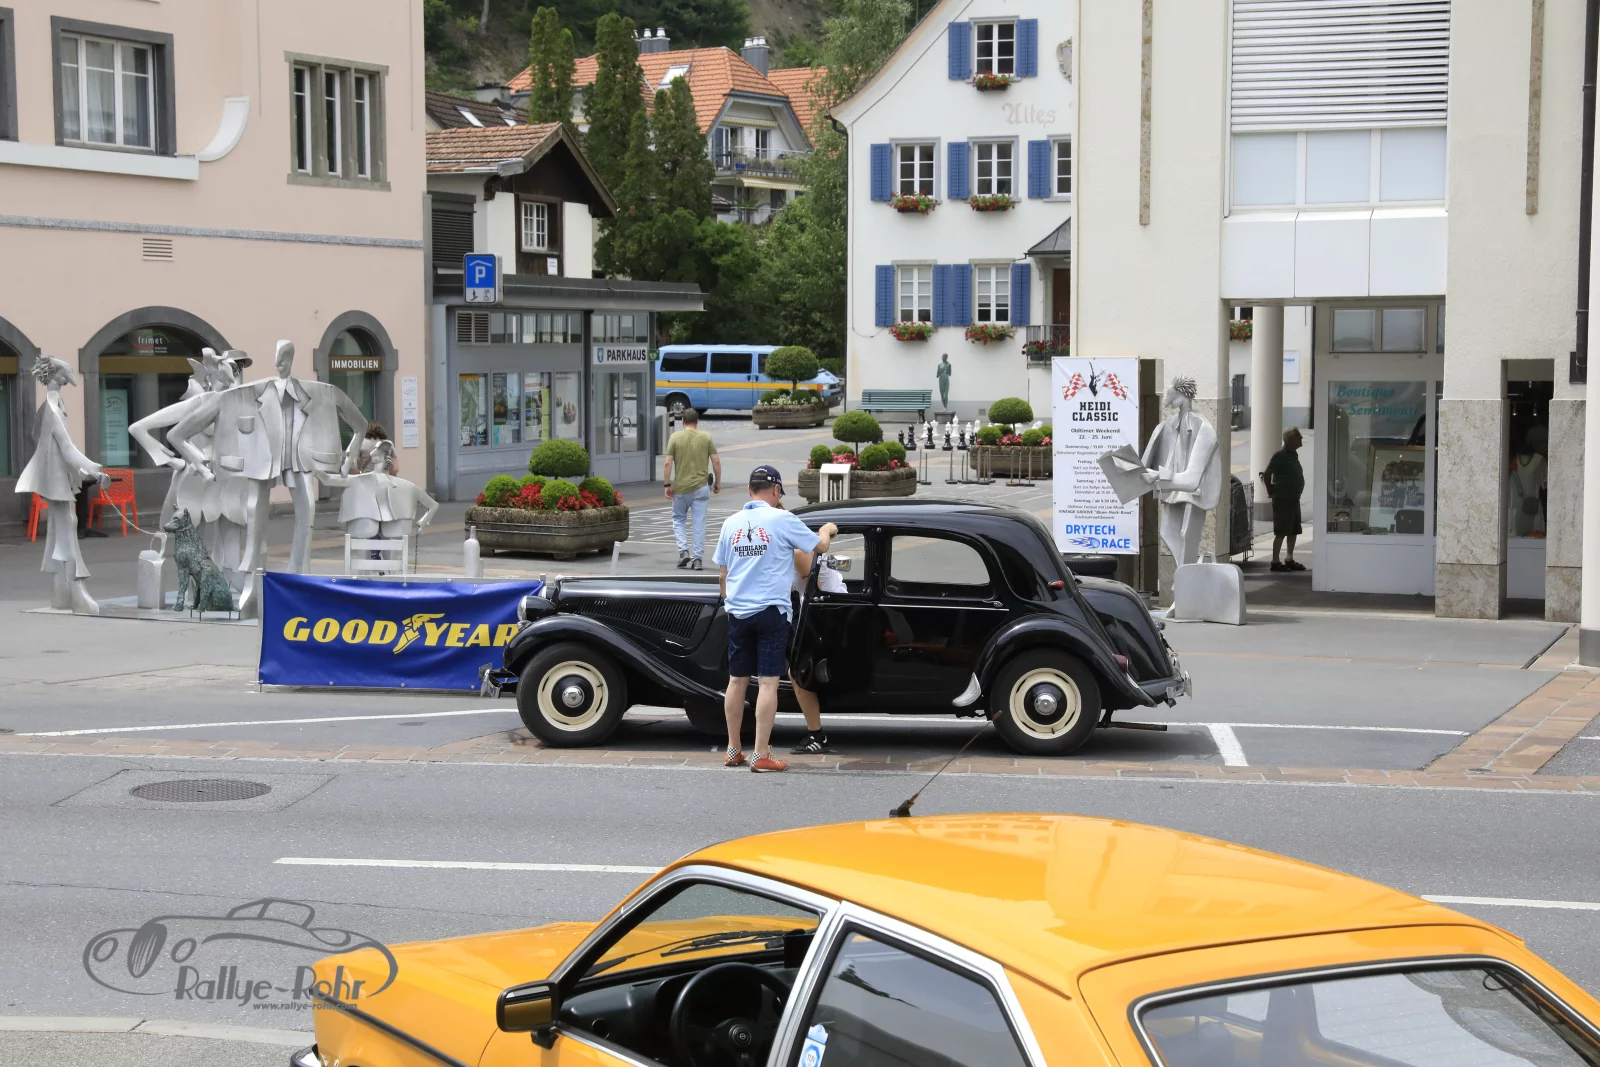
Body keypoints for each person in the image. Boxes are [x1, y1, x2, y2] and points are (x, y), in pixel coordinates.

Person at [712, 465, 837, 773]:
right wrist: (827, 529)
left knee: (737, 681)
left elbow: (723, 575)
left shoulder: (730, 523)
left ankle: (732, 750)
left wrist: (730, 603)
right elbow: (820, 547)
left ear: (749, 490)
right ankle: (760, 755)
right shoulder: (782, 519)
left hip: (738, 612)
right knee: (768, 683)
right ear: (776, 490)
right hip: (771, 611)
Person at [788, 546, 846, 755]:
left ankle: (817, 736)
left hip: (825, 612)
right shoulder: (809, 544)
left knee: (798, 671)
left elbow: (815, 592)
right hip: (826, 608)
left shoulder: (799, 552)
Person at [664, 408, 721, 570]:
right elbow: (716, 461)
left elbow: (667, 463)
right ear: (697, 421)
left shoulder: (675, 438)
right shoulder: (706, 437)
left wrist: (667, 484)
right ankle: (697, 560)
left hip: (681, 488)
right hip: (701, 487)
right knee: (699, 523)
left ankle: (683, 551)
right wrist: (717, 482)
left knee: (678, 519)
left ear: (682, 421)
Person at [1260, 427, 1305, 572]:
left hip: (1293, 498)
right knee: (1281, 531)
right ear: (1291, 440)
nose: (1302, 438)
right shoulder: (1280, 455)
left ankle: (1289, 558)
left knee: (1293, 530)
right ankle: (1275, 561)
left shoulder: (1293, 454)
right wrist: (1270, 490)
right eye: (1299, 436)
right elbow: (1267, 474)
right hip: (1283, 498)